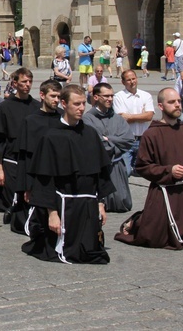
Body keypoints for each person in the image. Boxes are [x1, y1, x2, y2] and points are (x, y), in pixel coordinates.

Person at [22, 85, 114, 264]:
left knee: (91, 251)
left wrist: (101, 203)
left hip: (87, 204)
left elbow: (100, 174)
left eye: (83, 104)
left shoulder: (90, 134)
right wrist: (52, 213)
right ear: (64, 104)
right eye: (76, 104)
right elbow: (45, 180)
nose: (81, 108)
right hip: (64, 205)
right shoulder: (50, 137)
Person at [115, 88, 183, 249]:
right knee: (154, 237)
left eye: (179, 101)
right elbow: (143, 166)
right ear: (161, 106)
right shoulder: (152, 134)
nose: (177, 105)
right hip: (163, 192)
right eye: (171, 102)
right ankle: (136, 221)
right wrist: (169, 171)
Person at [0, 68, 41, 219]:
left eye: (30, 81)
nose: (27, 85)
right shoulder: (4, 107)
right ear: (15, 83)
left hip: (31, 162)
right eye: (24, 81)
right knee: (10, 201)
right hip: (11, 161)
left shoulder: (36, 107)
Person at [13, 79, 63, 234]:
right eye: (53, 96)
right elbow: (25, 157)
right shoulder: (31, 121)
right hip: (36, 175)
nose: (56, 100)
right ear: (42, 95)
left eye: (59, 97)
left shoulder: (62, 118)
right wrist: (26, 186)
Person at [83, 83, 135, 213]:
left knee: (123, 203)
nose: (110, 99)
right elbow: (95, 143)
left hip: (117, 164)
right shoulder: (87, 119)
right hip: (99, 165)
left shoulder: (118, 118)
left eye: (112, 96)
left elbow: (128, 140)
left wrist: (108, 139)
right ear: (95, 97)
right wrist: (113, 141)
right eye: (106, 96)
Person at [113, 69, 155, 177]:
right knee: (125, 172)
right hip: (126, 140)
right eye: (128, 80)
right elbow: (121, 118)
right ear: (123, 82)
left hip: (142, 139)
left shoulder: (146, 95)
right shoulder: (118, 97)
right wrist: (142, 116)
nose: (132, 82)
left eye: (133, 79)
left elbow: (149, 116)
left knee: (141, 171)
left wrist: (130, 116)